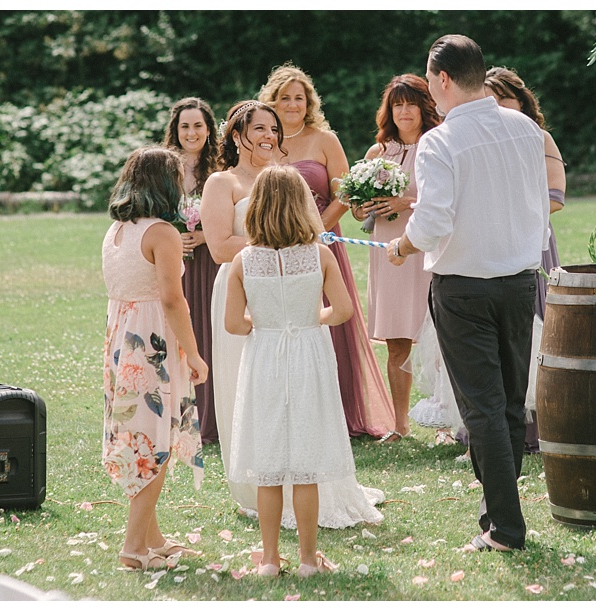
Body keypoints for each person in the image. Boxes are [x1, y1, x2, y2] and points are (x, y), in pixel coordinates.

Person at [387, 34, 549, 553]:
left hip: (464, 288)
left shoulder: (439, 142)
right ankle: (500, 517)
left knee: (483, 409)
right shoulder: (524, 127)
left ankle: (504, 527)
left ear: (442, 80)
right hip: (522, 281)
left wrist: (402, 247)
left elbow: (432, 220)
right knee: (505, 406)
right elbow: (540, 202)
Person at [204, 100, 384, 529]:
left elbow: (310, 234)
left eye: (273, 130)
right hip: (243, 289)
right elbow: (218, 247)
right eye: (259, 129)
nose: (269, 136)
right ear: (235, 135)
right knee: (246, 388)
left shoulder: (290, 181)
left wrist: (288, 258)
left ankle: (309, 483)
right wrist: (272, 253)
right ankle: (257, 484)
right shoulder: (221, 182)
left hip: (293, 294)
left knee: (300, 393)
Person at [223, 165, 363, 578]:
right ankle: (306, 560)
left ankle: (268, 560)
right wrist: (309, 318)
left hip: (265, 356)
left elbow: (233, 323)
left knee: (269, 466)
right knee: (305, 464)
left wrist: (262, 324)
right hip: (308, 356)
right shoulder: (319, 255)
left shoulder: (243, 261)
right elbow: (343, 310)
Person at [257, 64, 398, 439]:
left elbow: (344, 192)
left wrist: (314, 229)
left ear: (309, 103)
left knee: (328, 318)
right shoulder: (263, 141)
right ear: (271, 101)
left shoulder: (324, 140)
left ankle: (338, 411)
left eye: (298, 98)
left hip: (320, 241)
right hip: (273, 244)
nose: (291, 105)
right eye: (284, 98)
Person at [100, 146, 208, 570]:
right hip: (151, 342)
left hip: (122, 338)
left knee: (137, 434)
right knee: (152, 442)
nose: (185, 183)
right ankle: (133, 549)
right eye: (179, 176)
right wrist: (195, 353)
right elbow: (171, 298)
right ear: (164, 182)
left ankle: (153, 537)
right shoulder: (162, 232)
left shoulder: (117, 230)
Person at [352, 74, 441, 440]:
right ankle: (401, 425)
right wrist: (365, 206)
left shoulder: (437, 145)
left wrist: (407, 202)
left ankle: (444, 421)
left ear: (425, 106)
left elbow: (445, 202)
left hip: (427, 250)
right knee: (396, 341)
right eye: (397, 104)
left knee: (439, 338)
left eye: (411, 103)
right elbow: (356, 212)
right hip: (388, 253)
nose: (404, 111)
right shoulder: (378, 153)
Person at [485, 65, 566, 453]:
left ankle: (534, 426)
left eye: (504, 98)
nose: (497, 106)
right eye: (489, 99)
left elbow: (556, 197)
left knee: (533, 330)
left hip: (531, 244)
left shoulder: (540, 138)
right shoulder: (478, 142)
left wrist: (513, 214)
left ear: (521, 101)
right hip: (487, 247)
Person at [162, 96, 225, 445]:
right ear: (176, 129)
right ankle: (179, 419)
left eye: (198, 125)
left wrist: (202, 236)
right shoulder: (164, 168)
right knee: (178, 335)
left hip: (210, 262)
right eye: (185, 126)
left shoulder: (218, 169)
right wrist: (173, 236)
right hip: (173, 263)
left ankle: (213, 419)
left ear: (208, 129)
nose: (191, 132)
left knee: (210, 333)